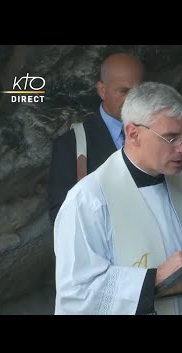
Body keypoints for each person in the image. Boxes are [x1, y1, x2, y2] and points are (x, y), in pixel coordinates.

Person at [54, 81, 182, 315]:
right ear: (133, 133)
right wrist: (155, 278)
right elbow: (77, 294)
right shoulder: (89, 199)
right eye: (171, 137)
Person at [48, 52, 145, 224]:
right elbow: (62, 220)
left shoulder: (161, 134)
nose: (132, 99)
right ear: (102, 90)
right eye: (123, 91)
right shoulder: (70, 145)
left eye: (138, 91)